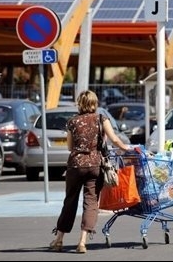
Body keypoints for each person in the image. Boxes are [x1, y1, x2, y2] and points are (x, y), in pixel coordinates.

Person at [49, 90, 133, 253]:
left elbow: (69, 147)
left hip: (75, 165)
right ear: (95, 103)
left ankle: (59, 240)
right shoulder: (101, 118)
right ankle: (82, 242)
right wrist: (127, 149)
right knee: (91, 202)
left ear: (79, 103)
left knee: (70, 201)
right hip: (95, 165)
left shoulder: (72, 122)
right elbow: (115, 139)